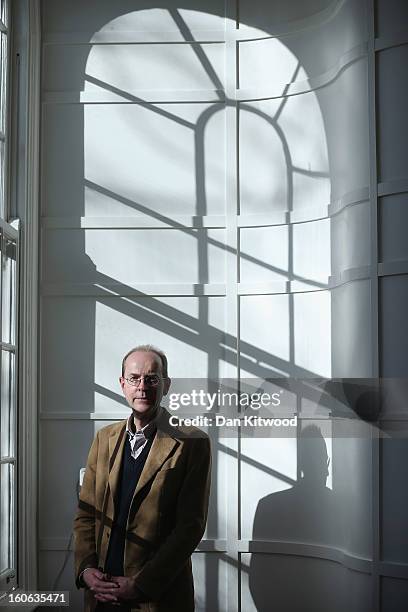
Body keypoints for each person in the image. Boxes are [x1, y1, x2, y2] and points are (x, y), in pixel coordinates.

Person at [73, 345, 212, 612]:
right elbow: (85, 515)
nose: (143, 387)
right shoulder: (104, 439)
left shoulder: (192, 442)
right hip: (101, 594)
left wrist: (141, 585)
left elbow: (189, 527)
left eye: (152, 378)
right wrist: (87, 569)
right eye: (135, 378)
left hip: (157, 598)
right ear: (122, 384)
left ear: (166, 385)